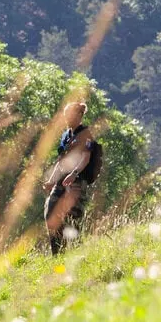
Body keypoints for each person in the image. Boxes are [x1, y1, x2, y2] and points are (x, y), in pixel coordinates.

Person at [43, 102, 102, 255]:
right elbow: (60, 161)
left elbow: (86, 157)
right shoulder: (66, 135)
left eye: (69, 115)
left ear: (79, 116)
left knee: (73, 221)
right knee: (50, 214)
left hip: (77, 182)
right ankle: (57, 255)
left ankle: (77, 256)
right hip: (61, 181)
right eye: (65, 115)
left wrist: (74, 174)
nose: (66, 118)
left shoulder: (86, 134)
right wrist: (51, 180)